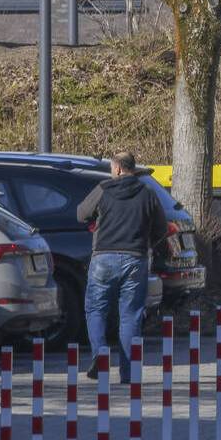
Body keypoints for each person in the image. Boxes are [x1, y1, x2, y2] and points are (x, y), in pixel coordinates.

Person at [75, 152, 167, 372]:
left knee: (96, 309)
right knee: (131, 315)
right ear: (132, 169)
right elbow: (161, 228)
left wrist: (96, 220)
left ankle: (101, 353)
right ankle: (129, 372)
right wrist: (148, 243)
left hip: (104, 257)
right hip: (135, 259)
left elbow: (81, 214)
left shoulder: (103, 189)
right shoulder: (148, 193)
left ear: (116, 169)